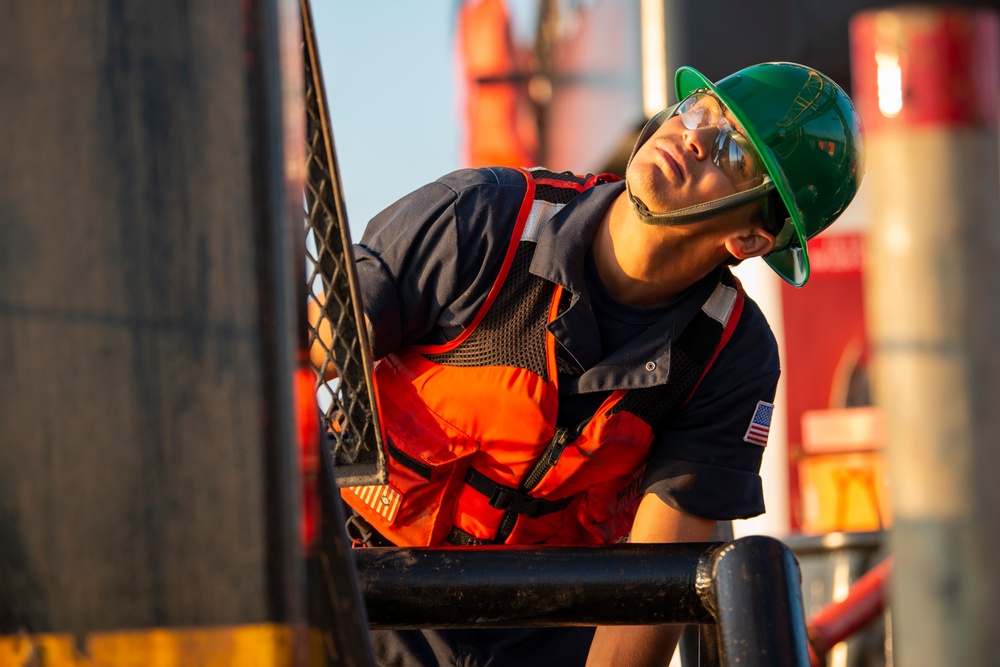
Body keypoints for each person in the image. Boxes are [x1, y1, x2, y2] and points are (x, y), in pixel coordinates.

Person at [313, 61, 864, 667]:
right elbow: (304, 349)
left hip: (537, 642)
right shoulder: (481, 218)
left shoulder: (731, 356)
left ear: (753, 240)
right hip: (356, 600)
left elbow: (653, 588)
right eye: (702, 112)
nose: (697, 138)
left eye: (733, 155)